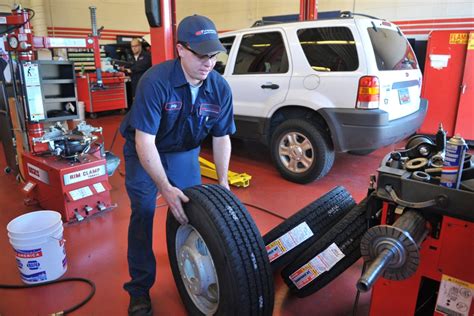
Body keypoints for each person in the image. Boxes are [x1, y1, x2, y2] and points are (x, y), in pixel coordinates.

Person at [119, 15, 235, 316]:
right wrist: (164, 187)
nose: (208, 62)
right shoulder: (155, 82)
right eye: (200, 55)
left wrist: (222, 181)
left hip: (184, 152)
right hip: (144, 151)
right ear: (181, 49)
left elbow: (222, 137)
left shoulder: (220, 87)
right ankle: (139, 288)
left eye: (213, 55)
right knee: (144, 212)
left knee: (191, 210)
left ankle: (191, 267)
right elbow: (145, 142)